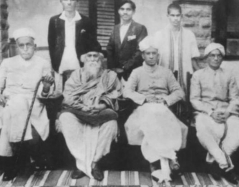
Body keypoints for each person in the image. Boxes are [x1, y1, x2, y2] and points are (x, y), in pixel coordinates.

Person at [124, 36, 188, 185]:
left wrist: (165, 100)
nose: (151, 56)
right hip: (143, 108)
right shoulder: (137, 72)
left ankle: (155, 164)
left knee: (159, 115)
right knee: (152, 116)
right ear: (143, 55)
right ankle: (171, 158)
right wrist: (144, 99)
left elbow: (179, 92)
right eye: (148, 53)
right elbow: (127, 91)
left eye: (154, 53)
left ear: (158, 55)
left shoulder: (166, 72)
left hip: (162, 108)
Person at [0, 28, 54, 181]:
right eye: (21, 45)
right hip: (9, 101)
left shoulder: (43, 63)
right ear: (17, 47)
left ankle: (12, 163)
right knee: (15, 105)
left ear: (35, 46)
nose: (25, 49)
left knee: (16, 109)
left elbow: (44, 94)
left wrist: (46, 87)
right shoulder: (7, 62)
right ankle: (24, 159)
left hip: (33, 104)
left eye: (28, 45)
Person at [58, 51, 121, 181]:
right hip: (79, 111)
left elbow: (118, 94)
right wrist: (83, 107)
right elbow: (68, 95)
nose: (92, 59)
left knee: (112, 124)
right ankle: (81, 163)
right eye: (89, 56)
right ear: (83, 60)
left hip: (101, 114)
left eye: (95, 56)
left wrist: (102, 105)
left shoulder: (111, 75)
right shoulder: (76, 75)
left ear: (101, 60)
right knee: (65, 118)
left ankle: (94, 163)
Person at [190, 43, 239, 184]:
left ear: (222, 58)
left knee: (237, 130)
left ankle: (216, 163)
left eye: (219, 56)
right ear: (206, 58)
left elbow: (235, 98)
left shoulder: (229, 75)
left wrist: (228, 112)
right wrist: (211, 112)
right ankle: (225, 165)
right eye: (212, 55)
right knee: (202, 130)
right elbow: (194, 100)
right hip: (205, 112)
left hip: (226, 112)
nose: (216, 58)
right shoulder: (198, 75)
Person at [48, 0, 101, 93]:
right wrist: (54, 62)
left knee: (80, 90)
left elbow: (93, 43)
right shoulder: (54, 20)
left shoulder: (86, 21)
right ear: (61, 1)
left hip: (79, 60)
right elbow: (51, 43)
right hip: (62, 60)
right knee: (62, 92)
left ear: (77, 1)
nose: (69, 2)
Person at [153, 3, 200, 92]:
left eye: (178, 15)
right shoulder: (159, 35)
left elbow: (193, 58)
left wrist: (200, 74)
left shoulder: (189, 35)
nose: (175, 19)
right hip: (165, 74)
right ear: (168, 16)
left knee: (184, 98)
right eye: (172, 15)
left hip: (185, 75)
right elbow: (155, 58)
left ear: (181, 16)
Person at [107, 0, 147, 81]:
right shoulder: (115, 28)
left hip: (133, 72)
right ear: (118, 11)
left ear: (133, 11)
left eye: (128, 9)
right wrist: (112, 68)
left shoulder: (140, 28)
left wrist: (125, 67)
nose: (125, 12)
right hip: (115, 72)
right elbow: (110, 48)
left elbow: (140, 51)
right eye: (122, 9)